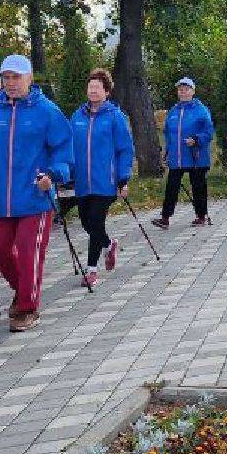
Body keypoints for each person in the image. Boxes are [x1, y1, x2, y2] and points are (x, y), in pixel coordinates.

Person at [0, 54, 73, 332]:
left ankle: (27, 308)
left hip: (35, 196)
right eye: (6, 78)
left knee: (27, 251)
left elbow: (63, 150)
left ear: (29, 78)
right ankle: (23, 290)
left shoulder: (47, 111)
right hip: (2, 198)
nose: (11, 83)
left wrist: (53, 175)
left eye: (16, 77)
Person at [67, 68, 134, 289]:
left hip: (106, 181)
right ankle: (109, 244)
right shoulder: (77, 116)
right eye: (90, 87)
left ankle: (92, 270)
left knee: (96, 222)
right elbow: (68, 146)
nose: (93, 90)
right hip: (82, 181)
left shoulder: (115, 117)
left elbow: (125, 149)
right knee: (87, 223)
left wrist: (123, 178)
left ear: (106, 91)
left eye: (98, 87)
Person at [156, 77, 213, 229]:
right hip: (177, 156)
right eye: (180, 90)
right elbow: (168, 133)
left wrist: (196, 139)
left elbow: (209, 132)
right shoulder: (173, 110)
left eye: (186, 89)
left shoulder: (201, 110)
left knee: (198, 186)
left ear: (193, 91)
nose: (183, 92)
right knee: (172, 186)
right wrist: (167, 152)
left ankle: (201, 216)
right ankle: (165, 218)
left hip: (196, 156)